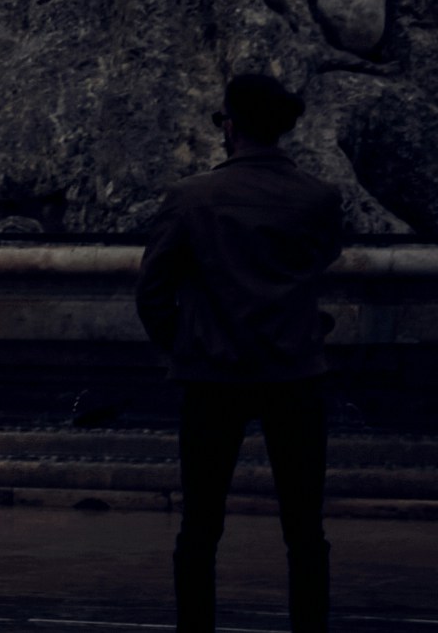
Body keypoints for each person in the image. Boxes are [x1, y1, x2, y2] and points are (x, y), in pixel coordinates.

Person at [141, 75, 348, 633]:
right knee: (304, 527)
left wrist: (186, 343)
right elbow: (322, 260)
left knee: (200, 526)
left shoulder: (190, 199)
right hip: (295, 374)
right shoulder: (319, 198)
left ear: (230, 127)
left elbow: (152, 292)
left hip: (212, 377)